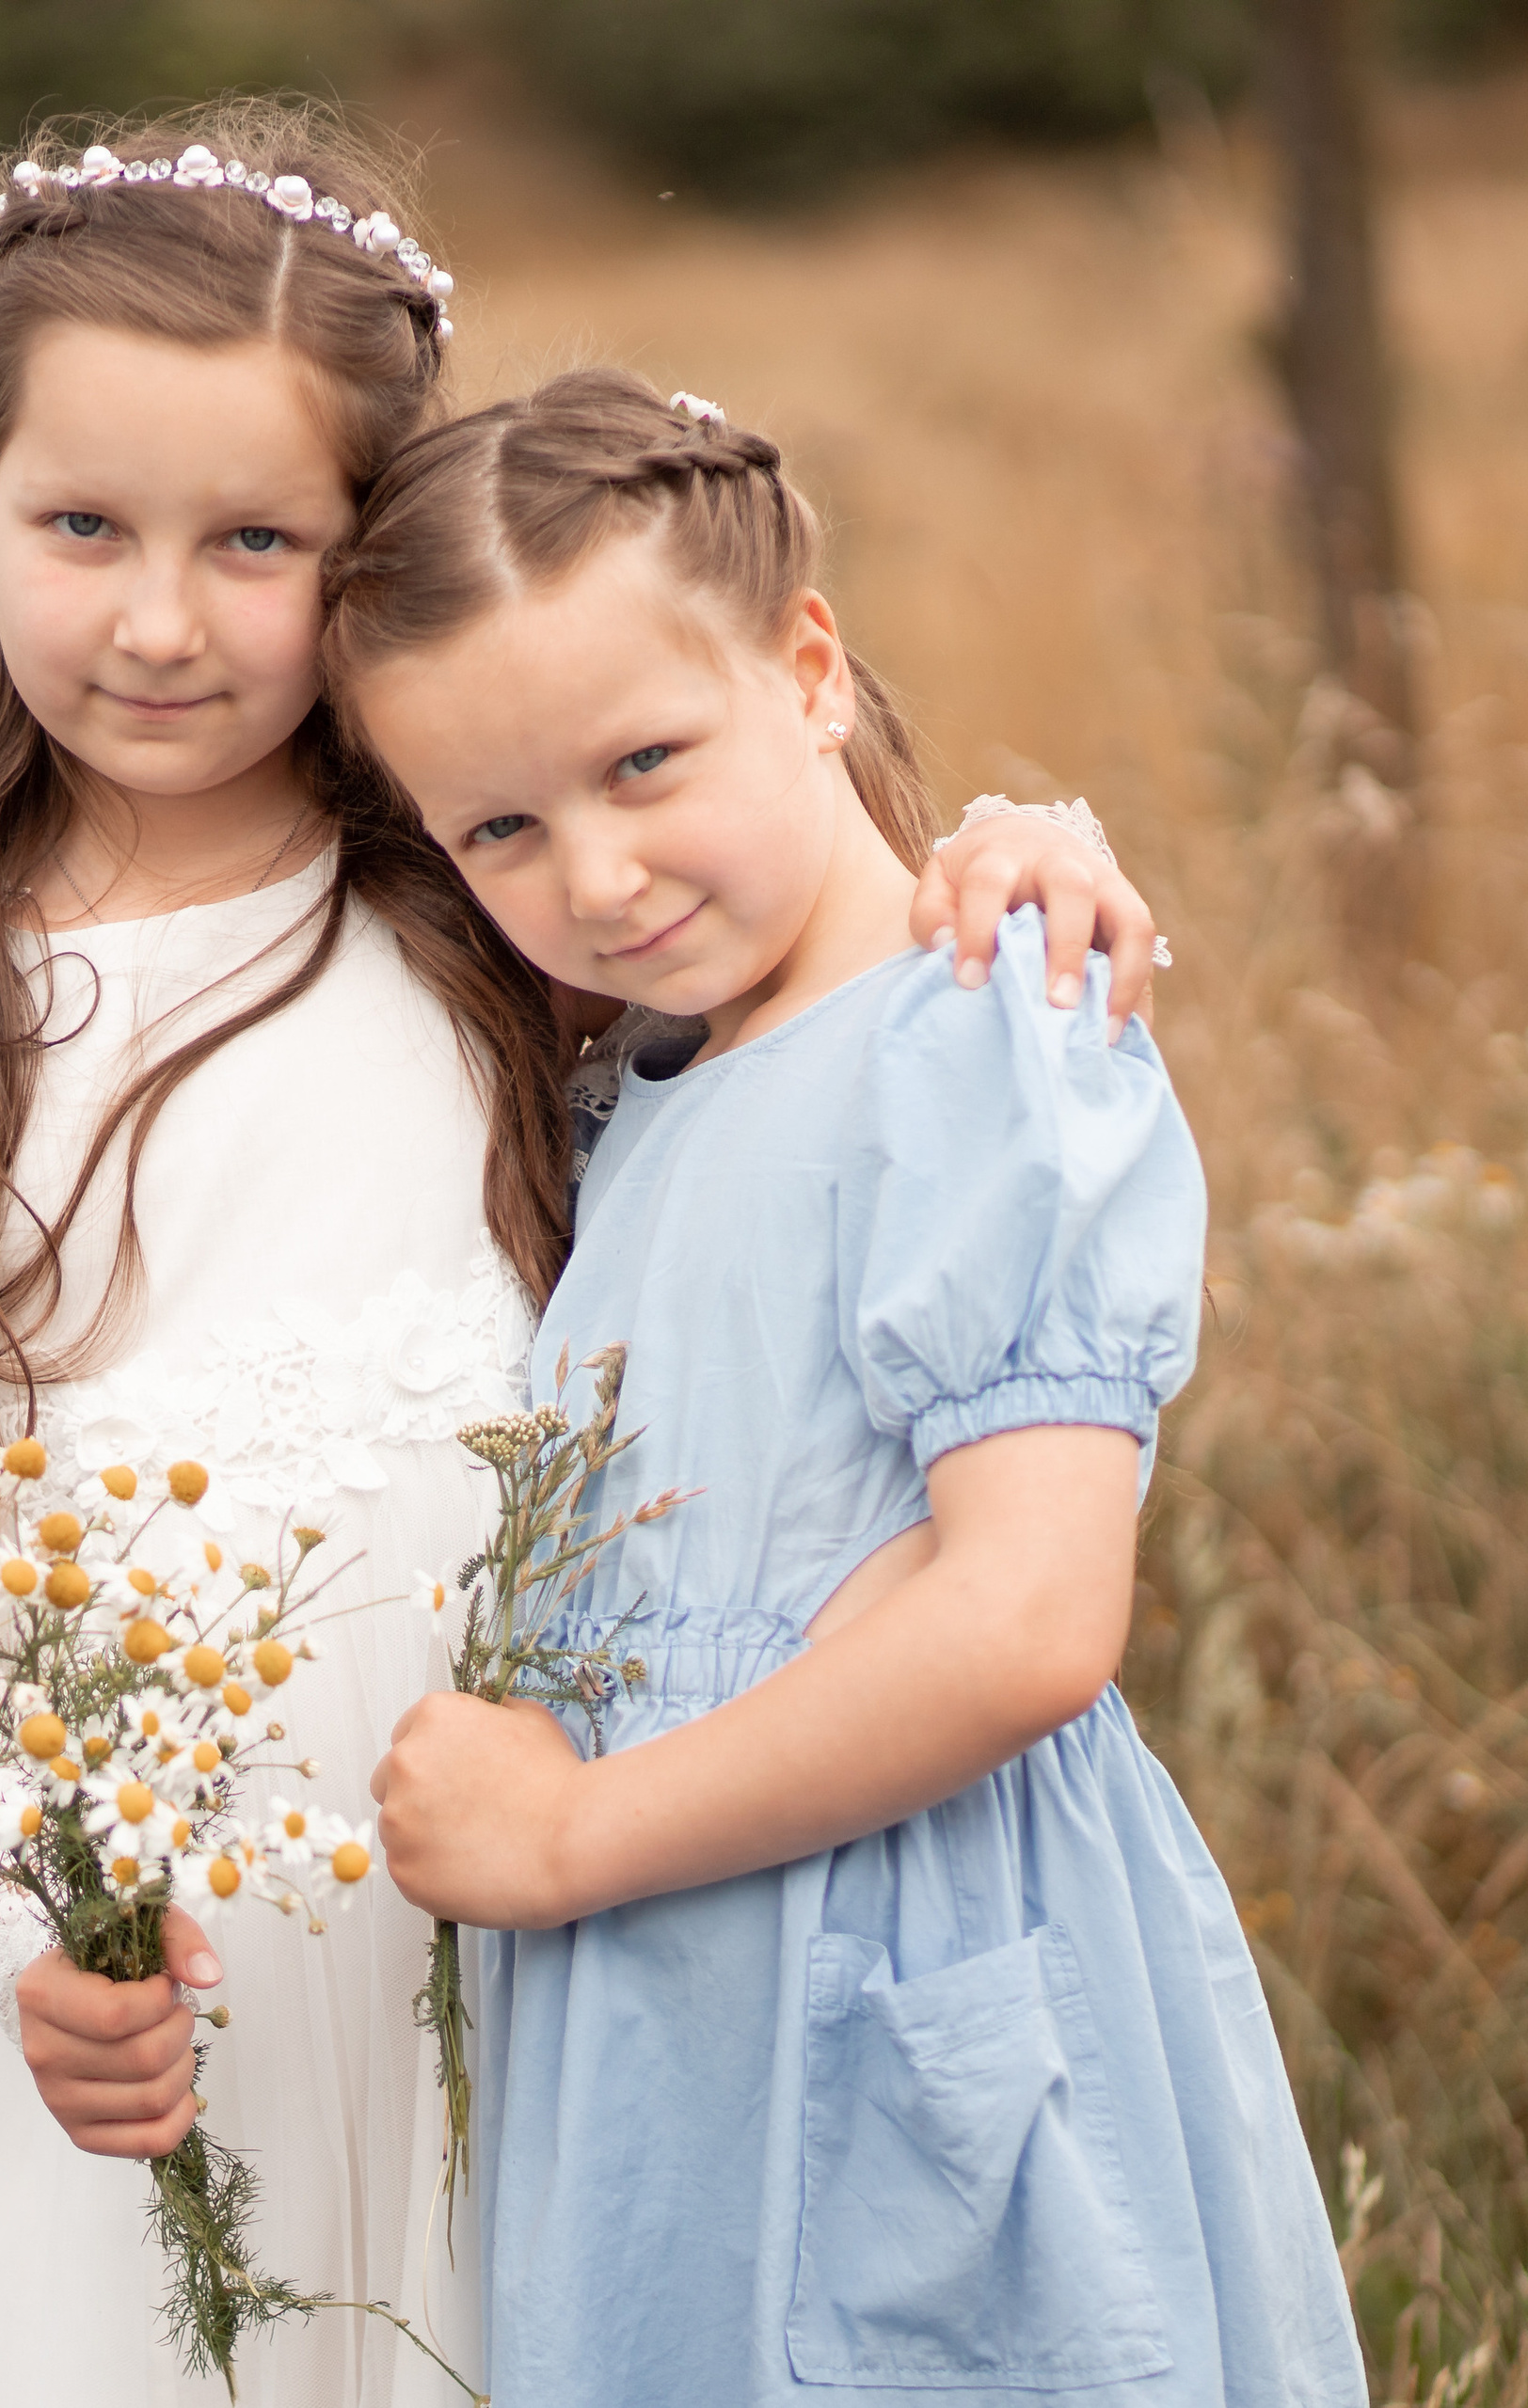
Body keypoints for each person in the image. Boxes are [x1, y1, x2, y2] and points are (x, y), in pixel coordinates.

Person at [0, 108, 1166, 2407]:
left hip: (528, 1870)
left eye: (258, 540)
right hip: (148, 1952)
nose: (157, 616)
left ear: (367, 555)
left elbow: (804, 984)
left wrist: (1013, 837)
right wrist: (28, 1926)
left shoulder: (483, 887)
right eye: (78, 522)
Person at [339, 371, 1364, 2406]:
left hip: (890, 1974)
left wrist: (562, 1837)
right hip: (667, 2015)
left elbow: (1026, 1615)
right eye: (501, 825)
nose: (600, 872)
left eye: (646, 760)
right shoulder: (623, 1089)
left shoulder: (973, 1035)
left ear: (805, 665)